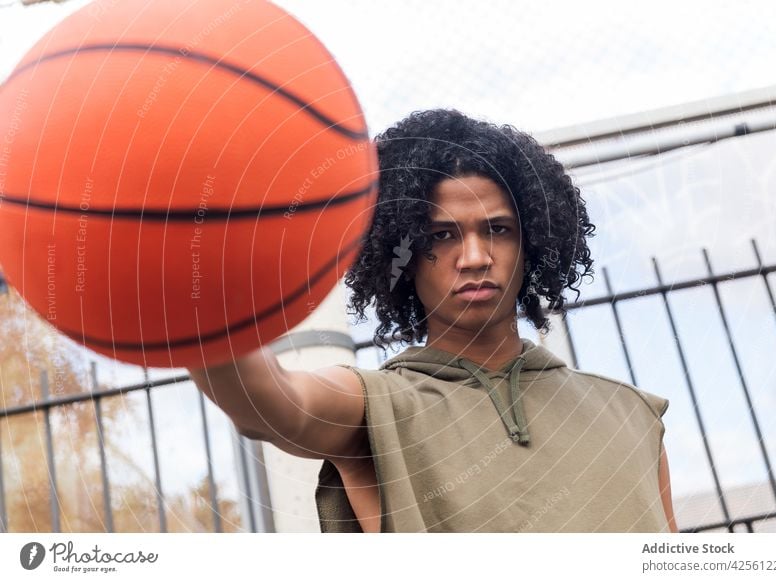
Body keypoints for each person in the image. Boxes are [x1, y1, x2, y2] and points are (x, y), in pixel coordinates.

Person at [189, 108, 678, 534]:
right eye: (441, 235)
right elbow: (271, 402)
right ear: (398, 255)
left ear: (533, 243)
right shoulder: (374, 409)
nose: (473, 256)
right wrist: (187, 288)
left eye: (498, 229)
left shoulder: (631, 416)